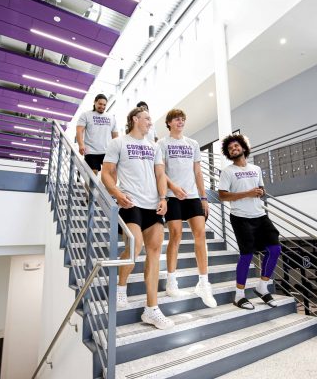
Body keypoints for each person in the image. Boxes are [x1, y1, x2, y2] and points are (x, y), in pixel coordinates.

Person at [101, 106, 174, 330]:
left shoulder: (154, 147)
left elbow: (160, 174)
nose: (151, 122)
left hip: (153, 205)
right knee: (135, 246)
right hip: (130, 202)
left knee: (154, 253)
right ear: (135, 119)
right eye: (147, 118)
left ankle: (151, 309)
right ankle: (120, 287)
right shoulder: (118, 143)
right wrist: (117, 194)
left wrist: (164, 198)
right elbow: (106, 172)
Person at [158, 109, 217, 308]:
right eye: (177, 119)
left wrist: (204, 197)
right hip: (173, 196)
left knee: (200, 235)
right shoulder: (162, 144)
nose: (181, 121)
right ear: (169, 123)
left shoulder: (193, 144)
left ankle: (203, 283)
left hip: (192, 196)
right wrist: (172, 188)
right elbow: (160, 172)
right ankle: (171, 281)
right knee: (175, 236)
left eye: (183, 119)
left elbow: (198, 172)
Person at [218, 134, 281, 310]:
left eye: (236, 146)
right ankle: (239, 295)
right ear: (228, 153)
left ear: (244, 148)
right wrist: (247, 193)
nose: (233, 149)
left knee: (275, 249)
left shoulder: (256, 168)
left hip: (259, 215)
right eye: (230, 148)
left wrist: (260, 191)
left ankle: (262, 286)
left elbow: (261, 188)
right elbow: (222, 195)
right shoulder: (228, 171)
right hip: (240, 217)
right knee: (246, 256)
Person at [76, 94, 118, 174]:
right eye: (100, 104)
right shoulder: (86, 115)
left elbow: (115, 136)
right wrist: (81, 145)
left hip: (107, 151)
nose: (102, 106)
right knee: (93, 174)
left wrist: (116, 150)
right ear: (95, 102)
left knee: (110, 174)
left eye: (104, 105)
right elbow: (79, 131)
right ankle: (89, 187)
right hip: (91, 151)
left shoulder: (111, 118)